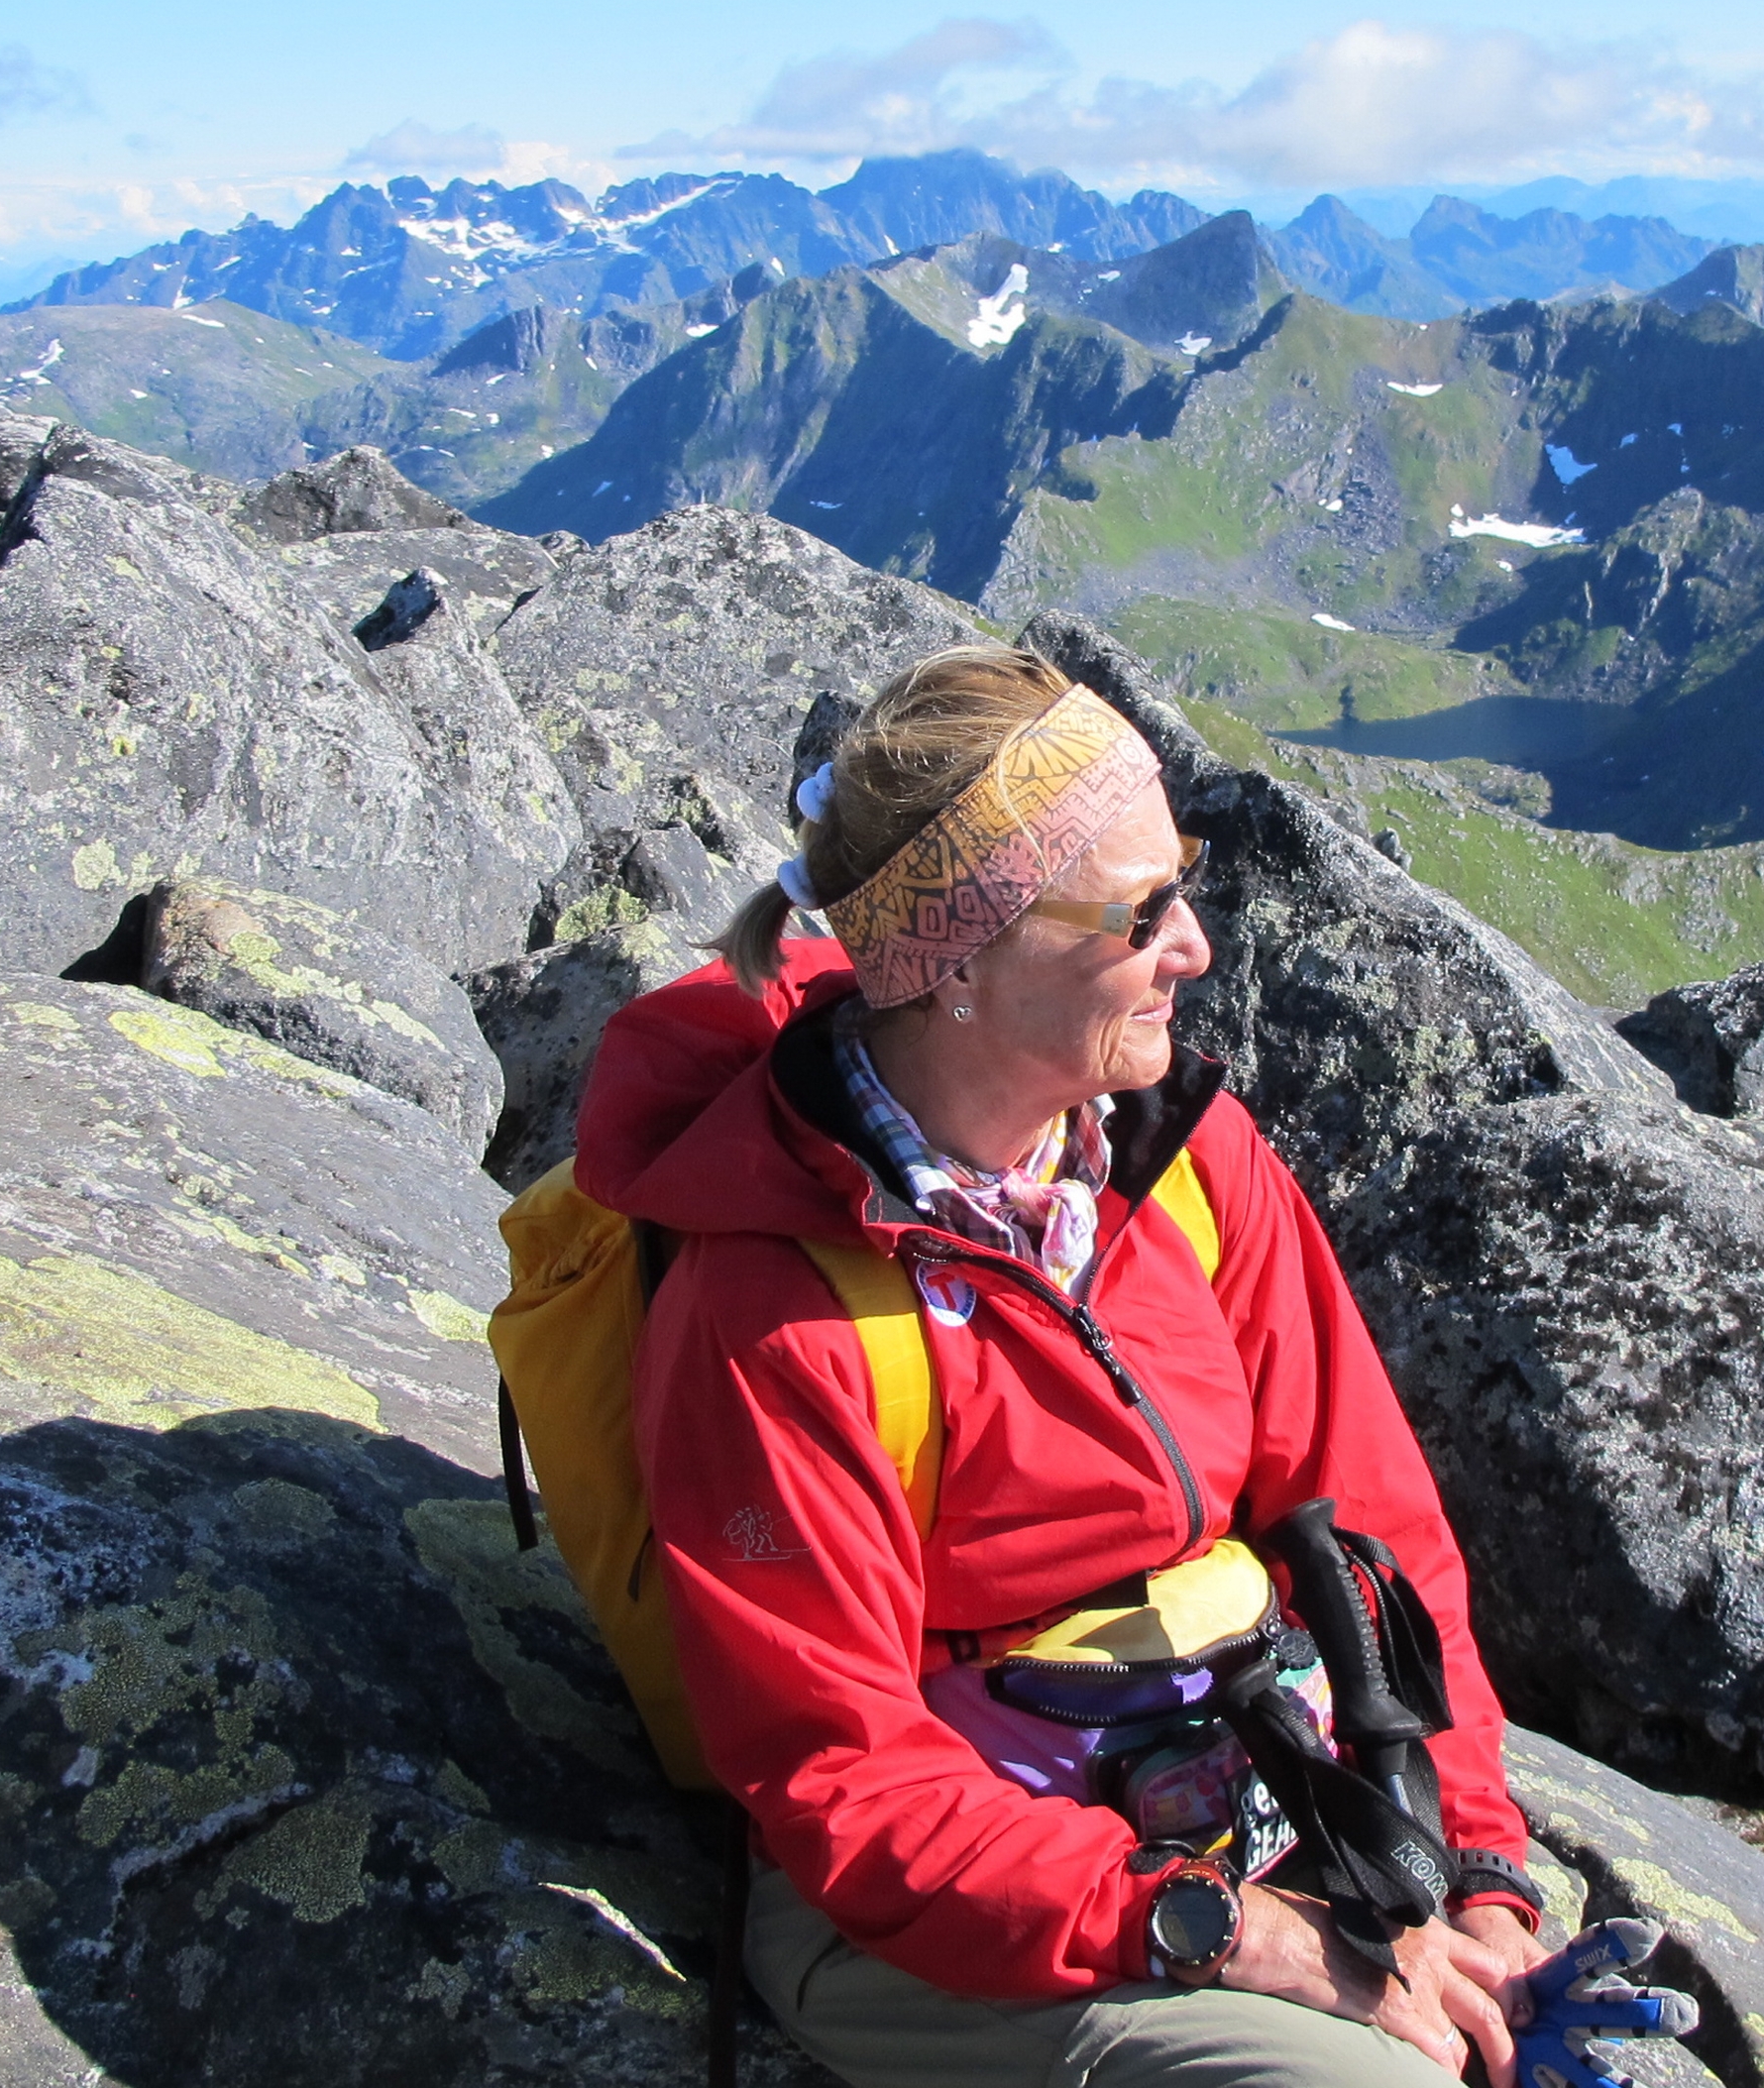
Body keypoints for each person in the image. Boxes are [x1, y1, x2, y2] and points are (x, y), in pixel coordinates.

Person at [570, 646, 1549, 2087]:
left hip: (1251, 1798)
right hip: (952, 1909)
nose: (1195, 945)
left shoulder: (1186, 1163)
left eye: (1185, 878)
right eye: (1142, 910)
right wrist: (1252, 1940)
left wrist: (1479, 1873)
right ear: (963, 963)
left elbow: (1376, 1536)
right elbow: (850, 1786)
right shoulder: (771, 1310)